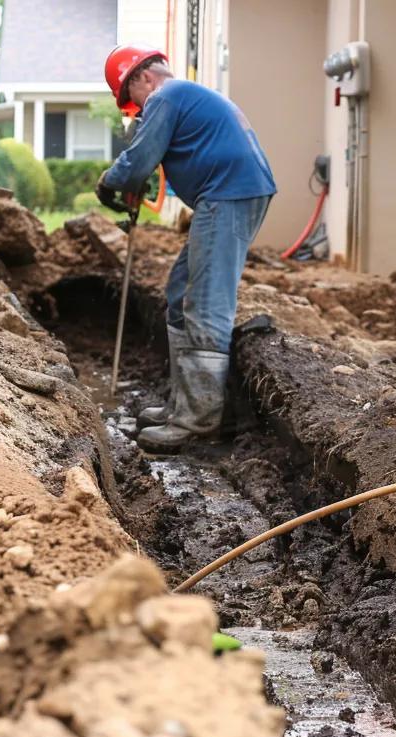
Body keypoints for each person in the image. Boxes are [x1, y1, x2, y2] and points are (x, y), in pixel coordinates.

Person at [97, 45, 276, 453]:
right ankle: (183, 403)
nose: (137, 112)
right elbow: (151, 156)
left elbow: (140, 158)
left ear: (141, 78)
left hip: (228, 195)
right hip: (230, 193)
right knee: (180, 291)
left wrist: (112, 180)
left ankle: (198, 419)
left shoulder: (165, 96)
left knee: (205, 301)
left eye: (132, 103)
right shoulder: (184, 96)